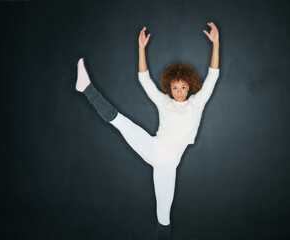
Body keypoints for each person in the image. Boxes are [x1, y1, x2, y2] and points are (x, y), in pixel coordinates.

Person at [75, 22, 220, 240]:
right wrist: (141, 48)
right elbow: (144, 79)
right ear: (169, 88)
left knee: (164, 215)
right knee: (121, 122)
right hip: (154, 147)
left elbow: (213, 75)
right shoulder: (164, 102)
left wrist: (216, 44)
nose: (179, 92)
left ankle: (86, 89)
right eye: (174, 87)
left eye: (182, 87)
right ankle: (87, 88)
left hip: (168, 163)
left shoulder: (197, 103)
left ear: (189, 86)